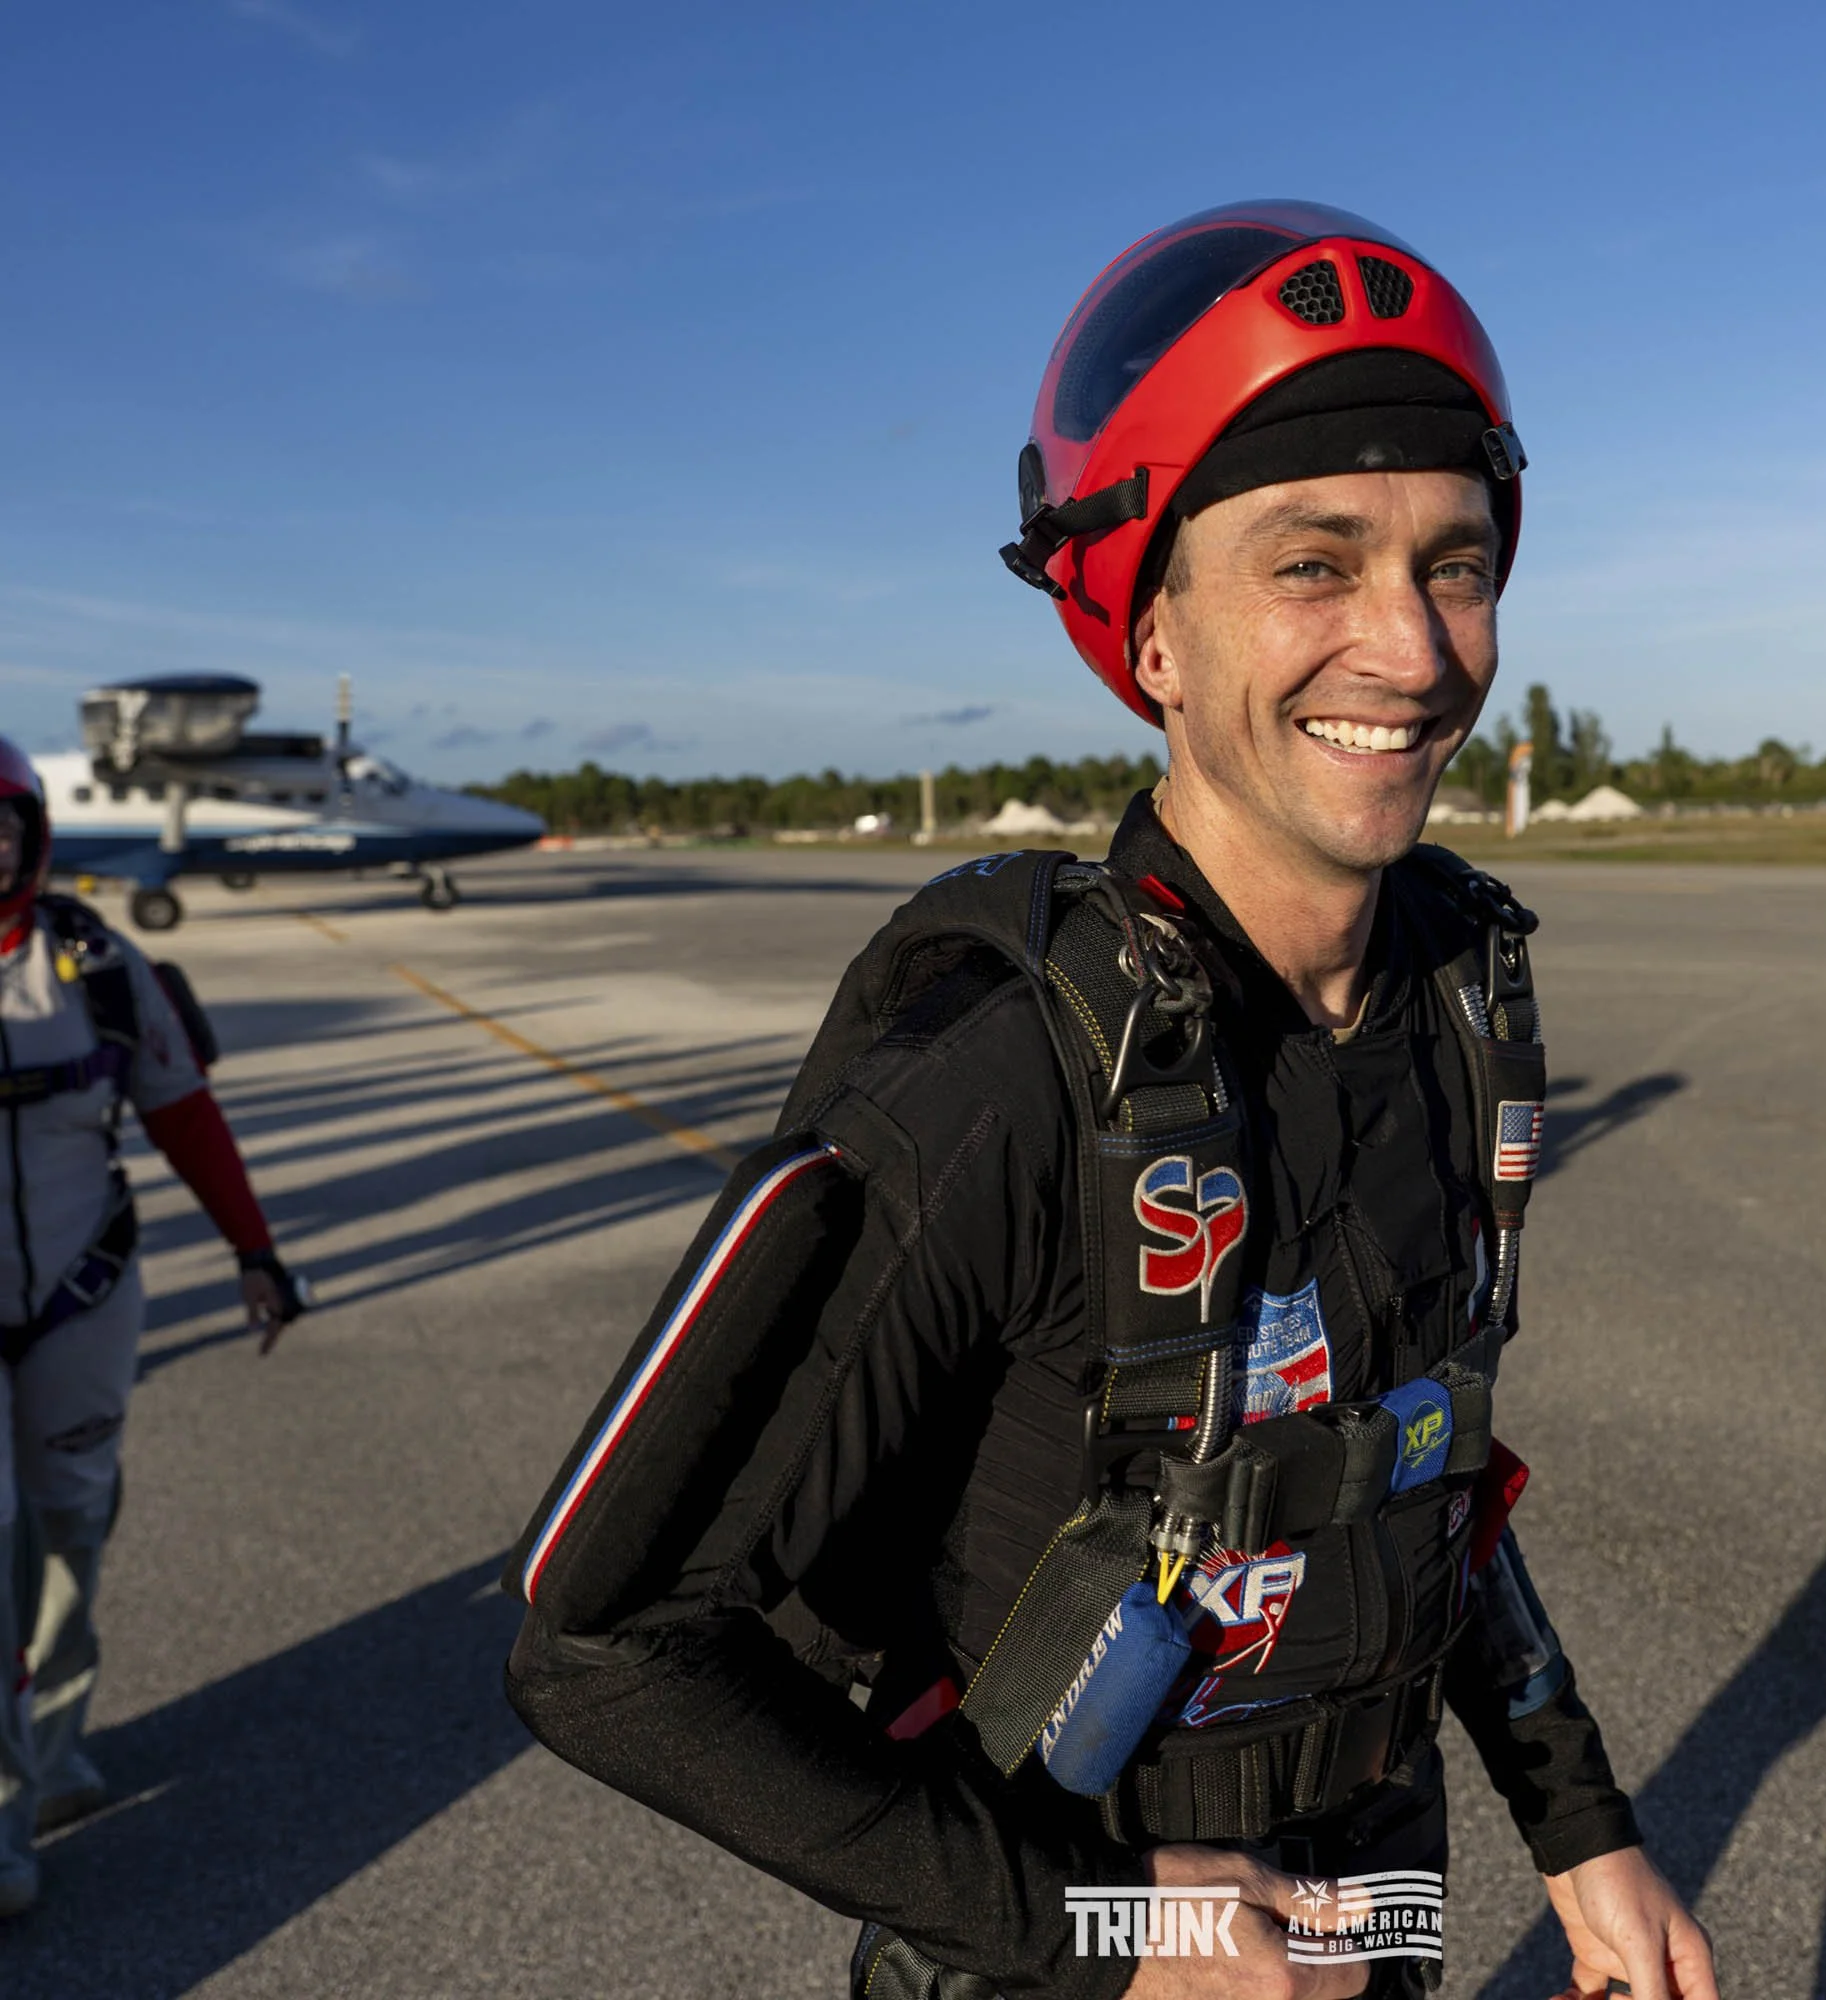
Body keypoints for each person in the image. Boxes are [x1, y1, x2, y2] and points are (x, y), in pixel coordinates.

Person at [506, 201, 1719, 2000]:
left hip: (1372, 1909)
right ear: (1153, 639)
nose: (1411, 646)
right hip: (1069, 1936)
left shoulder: (1454, 1015)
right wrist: (1112, 1938)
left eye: (1454, 563)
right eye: (1314, 564)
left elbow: (1421, 1464)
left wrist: (1579, 1821)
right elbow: (598, 1645)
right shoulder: (1014, 1076)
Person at [0, 735, 305, 1916]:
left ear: (34, 834)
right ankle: (3, 1828)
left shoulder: (98, 963)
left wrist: (257, 1252)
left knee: (71, 1525)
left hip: (82, 1294)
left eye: (3, 825)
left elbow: (185, 1115)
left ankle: (54, 1746)